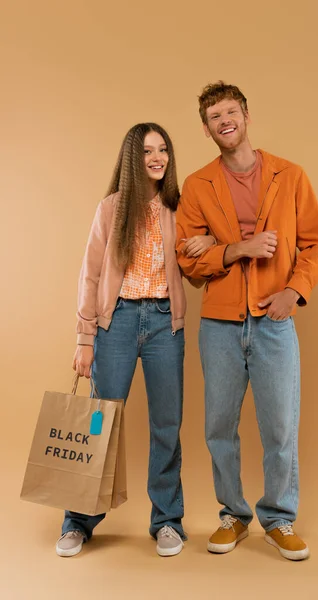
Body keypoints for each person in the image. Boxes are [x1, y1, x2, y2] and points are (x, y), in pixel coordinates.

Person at [177, 82, 318, 560]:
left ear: (246, 115)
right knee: (219, 426)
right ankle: (233, 515)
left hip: (274, 322)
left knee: (280, 426)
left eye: (231, 112)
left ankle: (279, 518)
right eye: (214, 117)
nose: (225, 121)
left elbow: (317, 244)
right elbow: (187, 257)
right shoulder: (198, 185)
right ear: (206, 129)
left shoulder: (290, 175)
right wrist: (235, 249)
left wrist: (294, 290)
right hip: (220, 326)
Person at [56, 123, 214, 558]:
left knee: (167, 425)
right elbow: (90, 274)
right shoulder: (110, 208)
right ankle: (78, 521)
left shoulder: (181, 208)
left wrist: (209, 241)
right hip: (116, 323)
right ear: (133, 158)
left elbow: (199, 267)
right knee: (98, 424)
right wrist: (85, 337)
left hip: (166, 324)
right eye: (147, 151)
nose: (157, 158)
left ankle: (167, 521)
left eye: (163, 149)